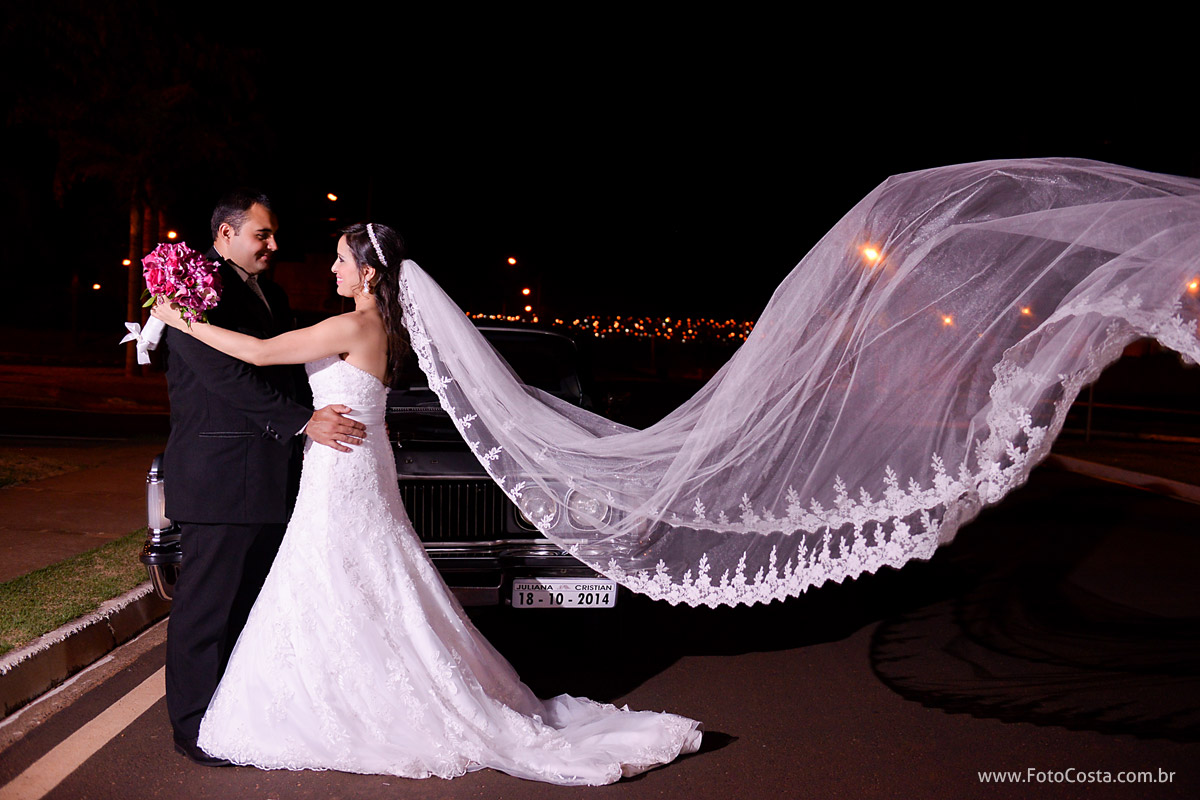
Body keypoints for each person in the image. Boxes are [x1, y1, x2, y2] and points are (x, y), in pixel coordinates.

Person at [152, 222, 703, 784]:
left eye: (342, 261)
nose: (333, 270)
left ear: (368, 273)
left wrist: (180, 320)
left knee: (341, 575)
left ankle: (348, 704)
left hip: (343, 465)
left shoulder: (349, 325)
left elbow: (261, 352)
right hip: (358, 461)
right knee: (366, 577)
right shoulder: (386, 329)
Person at [161, 190, 367, 767]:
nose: (274, 246)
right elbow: (225, 375)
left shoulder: (271, 293)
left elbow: (288, 370)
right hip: (220, 475)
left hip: (271, 477)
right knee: (207, 609)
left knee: (250, 606)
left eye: (273, 235)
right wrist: (304, 422)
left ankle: (234, 716)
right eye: (262, 235)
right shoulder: (187, 290)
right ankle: (194, 728)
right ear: (225, 234)